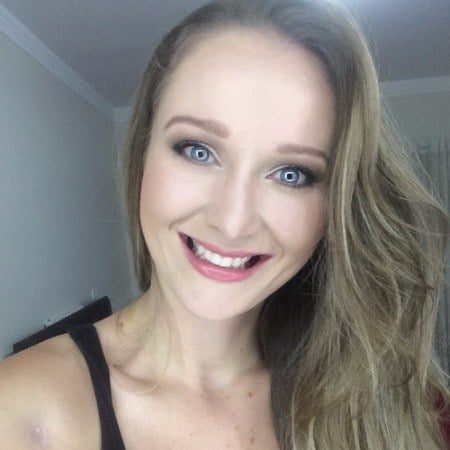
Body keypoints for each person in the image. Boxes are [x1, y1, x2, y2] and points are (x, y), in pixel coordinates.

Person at [0, 0, 448, 448]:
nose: (233, 223)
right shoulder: (21, 410)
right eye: (198, 151)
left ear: (335, 207)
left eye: (291, 174)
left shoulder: (379, 399)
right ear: (143, 151)